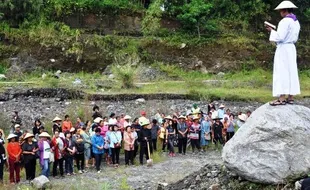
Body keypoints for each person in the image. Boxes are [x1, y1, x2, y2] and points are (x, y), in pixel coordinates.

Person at [266, 1, 300, 106]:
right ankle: (290, 97)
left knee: (282, 71)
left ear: (284, 10)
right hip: (291, 48)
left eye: (281, 10)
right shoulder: (296, 21)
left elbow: (280, 37)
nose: (280, 12)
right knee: (291, 71)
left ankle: (281, 98)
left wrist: (271, 31)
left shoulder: (284, 22)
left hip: (284, 48)